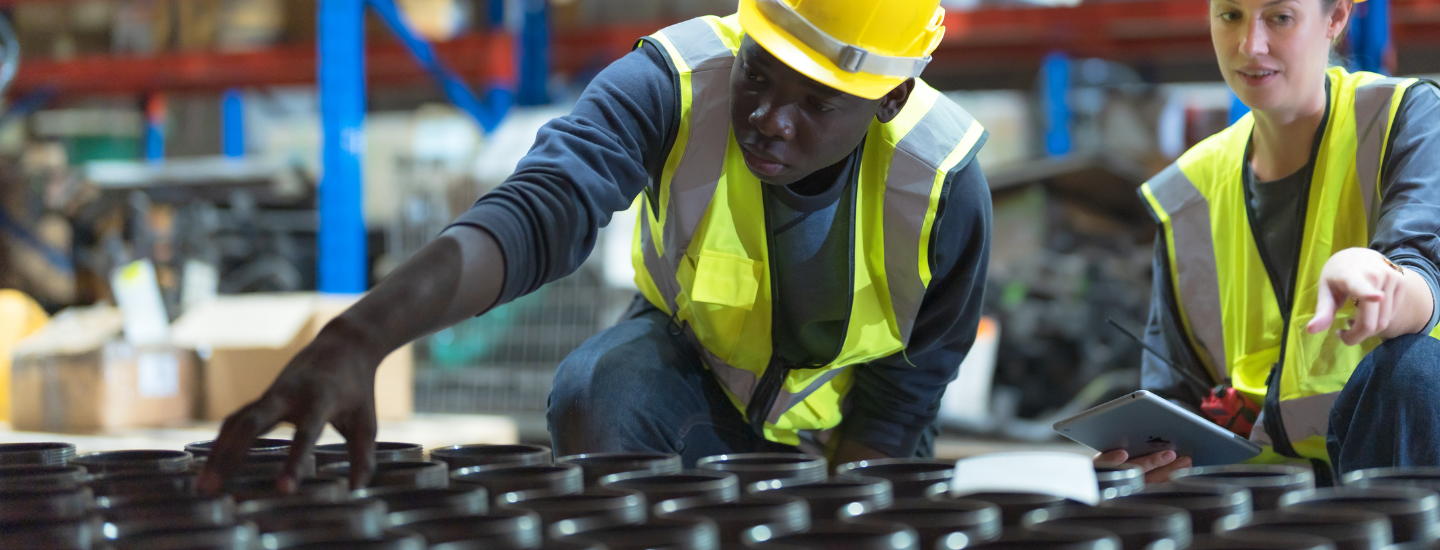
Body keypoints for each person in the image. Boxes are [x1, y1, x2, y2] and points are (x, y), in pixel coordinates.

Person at [197, 0, 991, 493]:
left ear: (888, 97)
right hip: (690, 403)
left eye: (815, 101)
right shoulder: (673, 83)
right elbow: (537, 211)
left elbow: (903, 400)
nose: (770, 118)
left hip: (849, 443)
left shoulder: (941, 187)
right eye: (760, 73)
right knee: (602, 385)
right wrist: (360, 336)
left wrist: (838, 511)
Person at [1098, 0, 1440, 495]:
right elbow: (1178, 397)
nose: (1250, 44)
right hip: (1284, 508)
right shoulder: (1191, 193)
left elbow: (1427, 266)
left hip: (1434, 482)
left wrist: (1385, 281)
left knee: (1411, 372)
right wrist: (1151, 457)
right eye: (1230, 16)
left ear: (1337, 18)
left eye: (1279, 17)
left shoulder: (1400, 116)